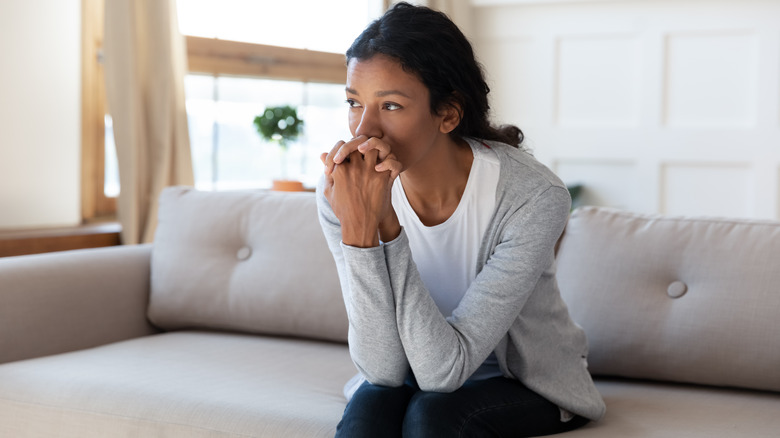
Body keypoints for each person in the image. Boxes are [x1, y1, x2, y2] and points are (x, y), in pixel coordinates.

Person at [316, 3, 605, 436]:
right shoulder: (342, 191)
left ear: (448, 114)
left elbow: (441, 375)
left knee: (431, 414)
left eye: (391, 105)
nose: (364, 130)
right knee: (370, 408)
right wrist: (360, 233)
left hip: (522, 383)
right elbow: (381, 370)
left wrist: (387, 230)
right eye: (354, 103)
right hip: (413, 373)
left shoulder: (532, 198)